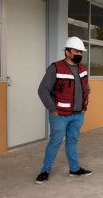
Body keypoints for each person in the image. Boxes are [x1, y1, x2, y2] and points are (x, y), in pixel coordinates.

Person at [35, 36, 92, 184]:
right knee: (55, 142)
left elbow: (86, 88)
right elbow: (42, 90)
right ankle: (45, 171)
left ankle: (75, 169)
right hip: (59, 115)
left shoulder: (83, 69)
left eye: (81, 52)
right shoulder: (55, 68)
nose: (79, 54)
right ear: (67, 52)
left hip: (78, 114)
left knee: (72, 141)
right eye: (76, 51)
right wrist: (52, 109)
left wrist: (85, 106)